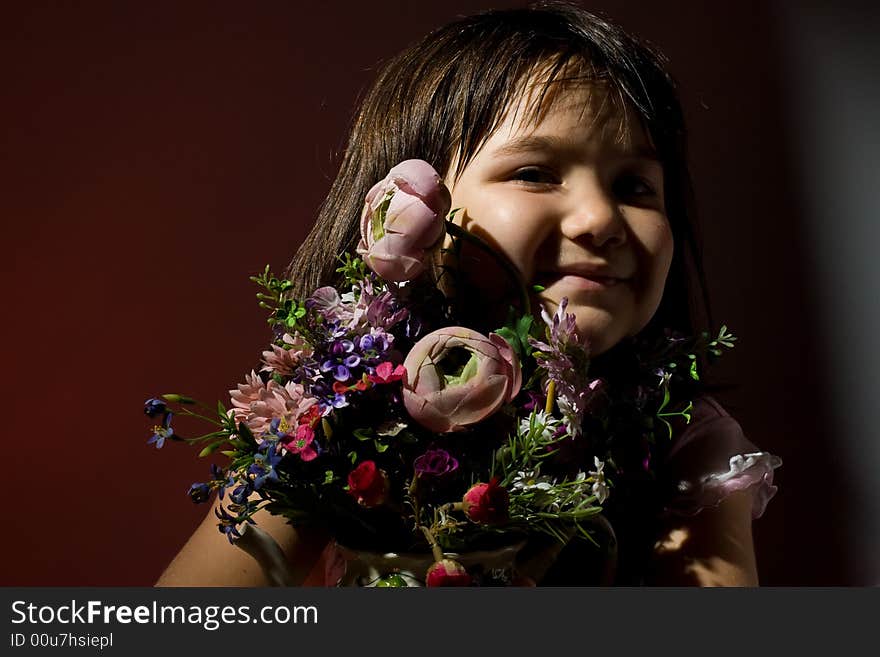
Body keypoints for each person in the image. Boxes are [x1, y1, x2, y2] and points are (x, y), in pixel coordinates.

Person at [156, 1, 780, 587]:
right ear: (413, 213)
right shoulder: (338, 411)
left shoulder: (683, 441)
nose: (600, 219)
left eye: (635, 186)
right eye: (534, 173)